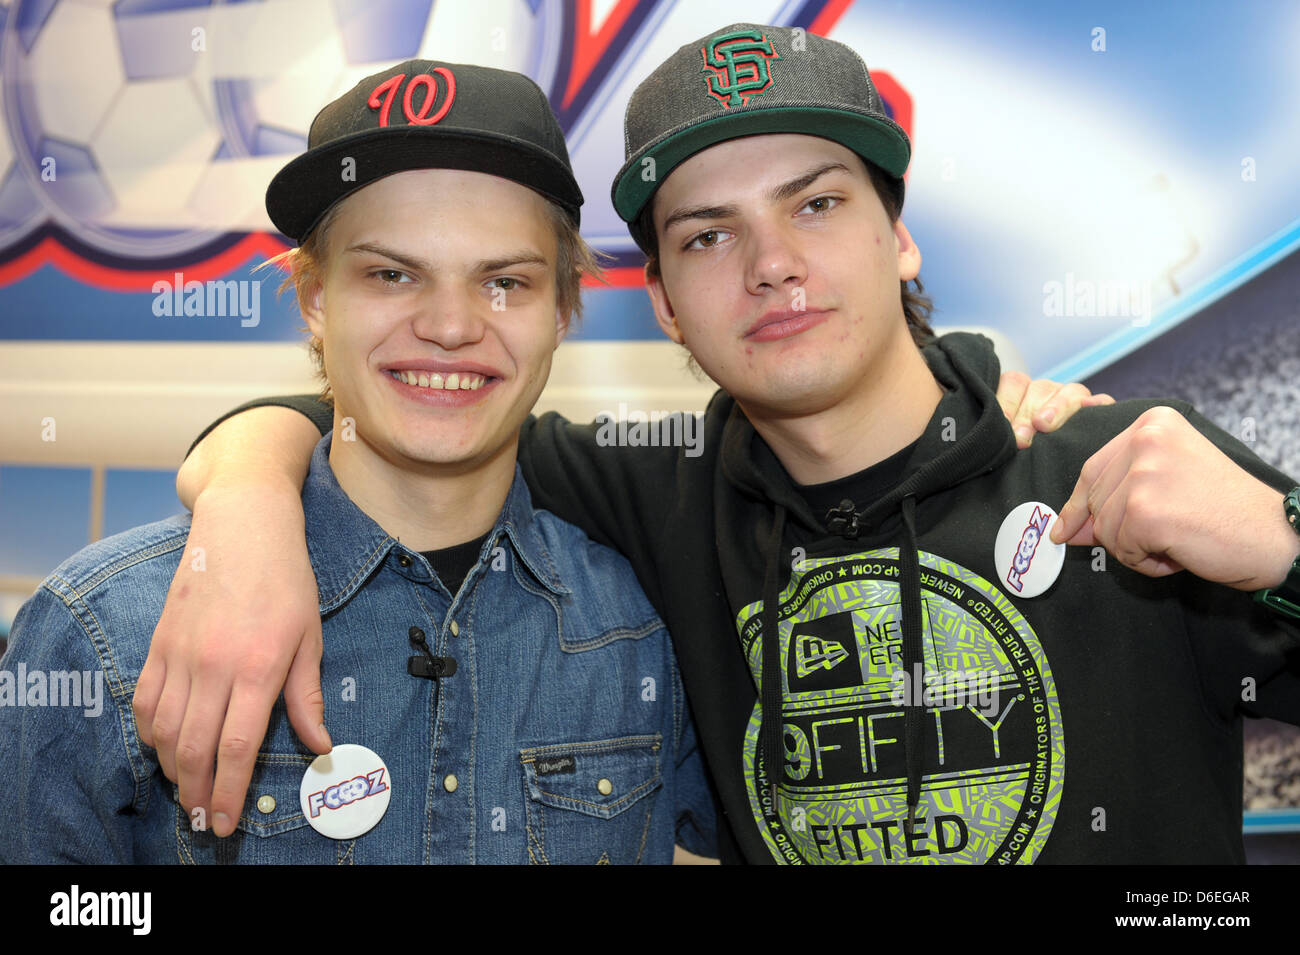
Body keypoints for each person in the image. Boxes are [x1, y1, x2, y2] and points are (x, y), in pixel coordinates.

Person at [141, 24, 1299, 865]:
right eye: (707, 235)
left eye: (816, 204)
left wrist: (1288, 550)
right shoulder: (651, 494)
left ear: (898, 236)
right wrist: (244, 503)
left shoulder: (1108, 471)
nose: (771, 263)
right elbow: (404, 416)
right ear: (665, 304)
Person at [0, 60, 717, 864]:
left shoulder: (644, 625)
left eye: (504, 281)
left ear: (561, 309)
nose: (450, 325)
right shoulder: (107, 633)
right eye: (391, 273)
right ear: (313, 298)